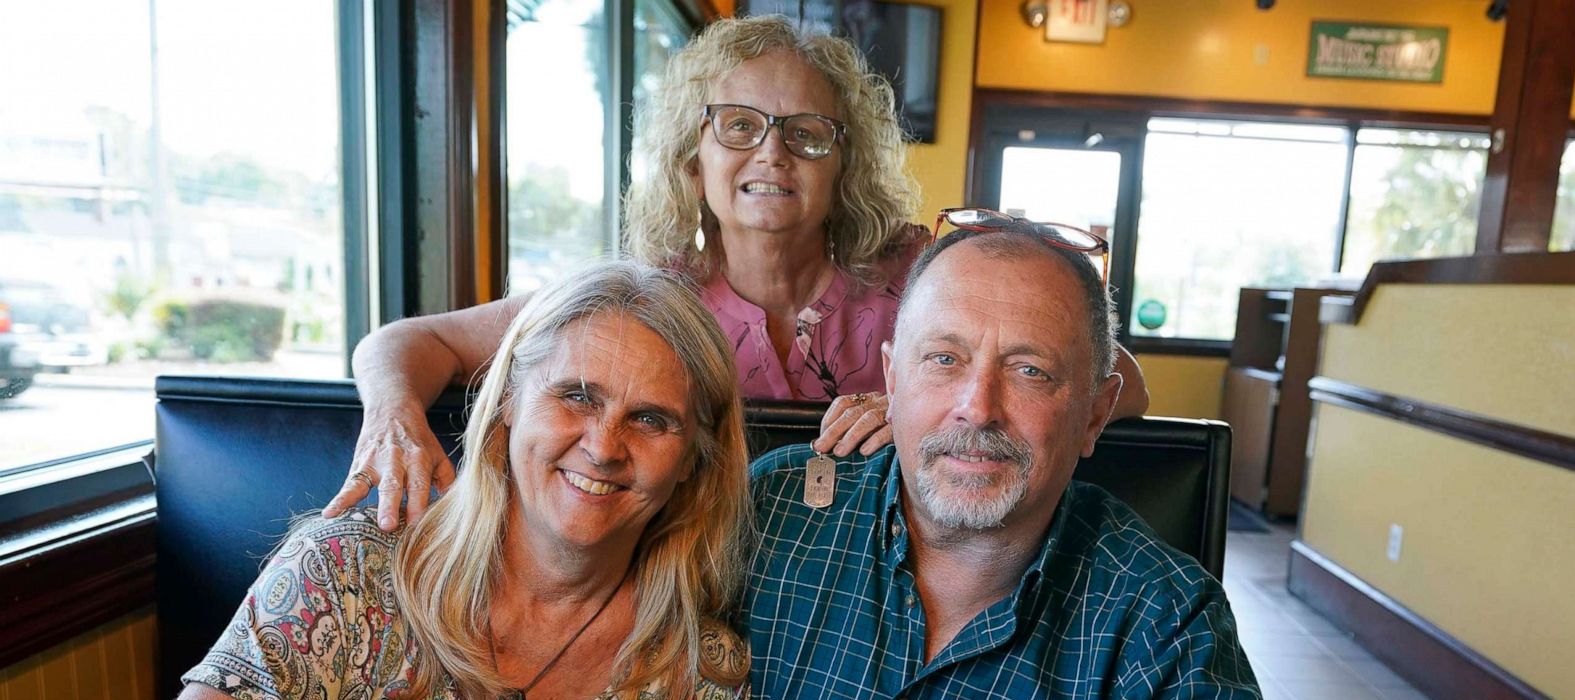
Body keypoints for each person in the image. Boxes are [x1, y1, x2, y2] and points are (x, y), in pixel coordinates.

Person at [89, 261, 760, 700]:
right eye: (576, 395)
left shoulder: (706, 678)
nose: (605, 446)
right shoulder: (342, 581)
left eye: (651, 419)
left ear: (694, 460)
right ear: (508, 403)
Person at [675, 213, 1294, 700]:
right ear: (891, 377)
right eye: (944, 359)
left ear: (1094, 412)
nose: (977, 407)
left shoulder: (1160, 614)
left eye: (1030, 371)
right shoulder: (780, 510)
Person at [339, 15, 1147, 530]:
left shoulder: (924, 271)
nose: (771, 151)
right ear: (693, 159)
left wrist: (916, 403)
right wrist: (391, 416)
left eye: (805, 133)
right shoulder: (642, 294)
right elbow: (410, 341)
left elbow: (1121, 381)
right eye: (739, 126)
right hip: (689, 583)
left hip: (880, 595)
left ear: (846, 162)